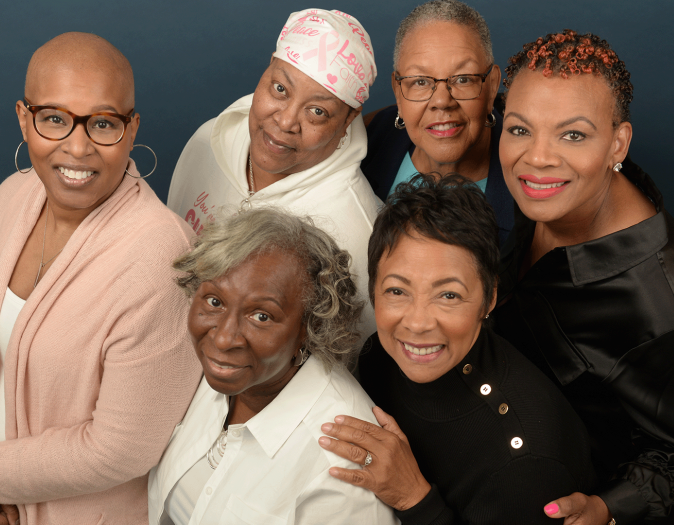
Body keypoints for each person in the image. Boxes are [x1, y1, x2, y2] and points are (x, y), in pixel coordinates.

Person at [494, 30, 674, 524]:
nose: (538, 157)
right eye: (520, 129)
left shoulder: (664, 311)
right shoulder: (556, 190)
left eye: (573, 134)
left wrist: (610, 508)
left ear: (617, 143)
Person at [0, 33, 202, 525]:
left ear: (131, 129)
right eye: (54, 119)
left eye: (103, 123)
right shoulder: (14, 195)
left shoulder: (159, 258)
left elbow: (120, 450)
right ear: (25, 119)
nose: (77, 147)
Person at [318, 174, 597, 524]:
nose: (417, 324)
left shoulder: (526, 462)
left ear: (489, 298)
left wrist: (413, 497)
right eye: (397, 291)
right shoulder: (378, 357)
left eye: (448, 295)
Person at [148, 208, 398, 525]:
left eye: (262, 316)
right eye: (214, 302)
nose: (224, 338)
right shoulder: (211, 373)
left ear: (311, 328)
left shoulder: (338, 466)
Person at [167, 8, 379, 343]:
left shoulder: (359, 234)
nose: (285, 122)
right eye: (280, 89)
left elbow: (349, 365)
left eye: (317, 112)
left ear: (349, 119)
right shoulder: (207, 142)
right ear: (267, 68)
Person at [360, 0, 513, 245]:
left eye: (463, 79)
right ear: (398, 91)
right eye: (420, 81)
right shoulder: (366, 140)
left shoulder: (526, 177)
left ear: (492, 85)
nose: (442, 101)